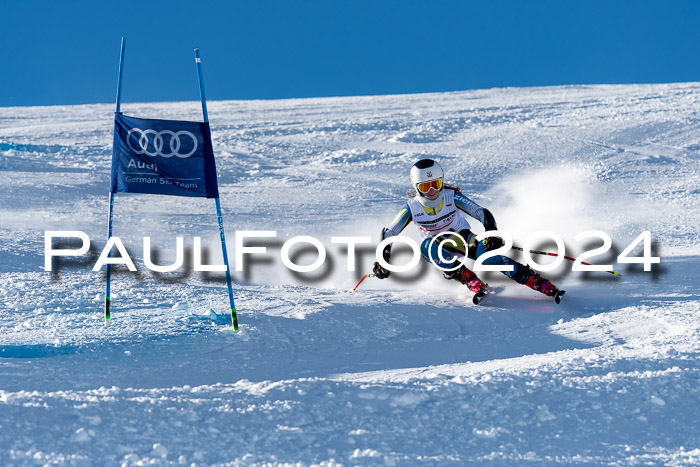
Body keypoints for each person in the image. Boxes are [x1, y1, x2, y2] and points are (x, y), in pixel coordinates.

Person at [372, 159, 562, 301]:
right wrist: (383, 258)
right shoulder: (412, 207)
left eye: (436, 184)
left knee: (490, 260)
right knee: (427, 246)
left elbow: (481, 212)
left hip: (462, 237)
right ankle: (471, 281)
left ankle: (538, 282)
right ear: (416, 187)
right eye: (425, 186)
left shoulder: (450, 196)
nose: (432, 191)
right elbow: (389, 232)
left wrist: (491, 232)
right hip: (437, 245)